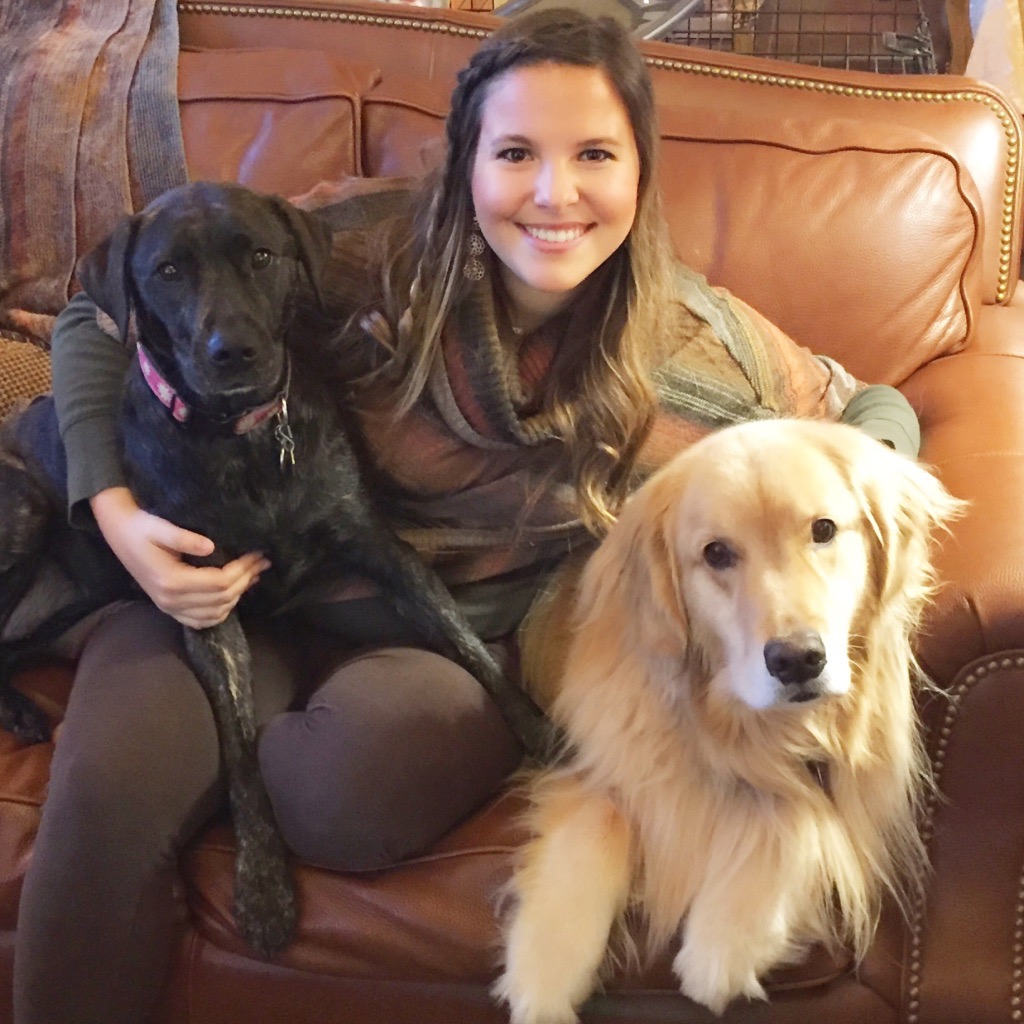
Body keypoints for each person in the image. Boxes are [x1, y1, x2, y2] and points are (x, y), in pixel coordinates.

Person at [13, 8, 920, 1024]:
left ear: (639, 170)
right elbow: (96, 317)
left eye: (593, 154)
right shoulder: (360, 247)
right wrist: (115, 509)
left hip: (434, 631)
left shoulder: (703, 350)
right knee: (108, 796)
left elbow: (866, 402)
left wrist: (868, 475)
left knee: (342, 791)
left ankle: (241, 746)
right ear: (468, 162)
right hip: (202, 574)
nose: (553, 192)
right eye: (516, 152)